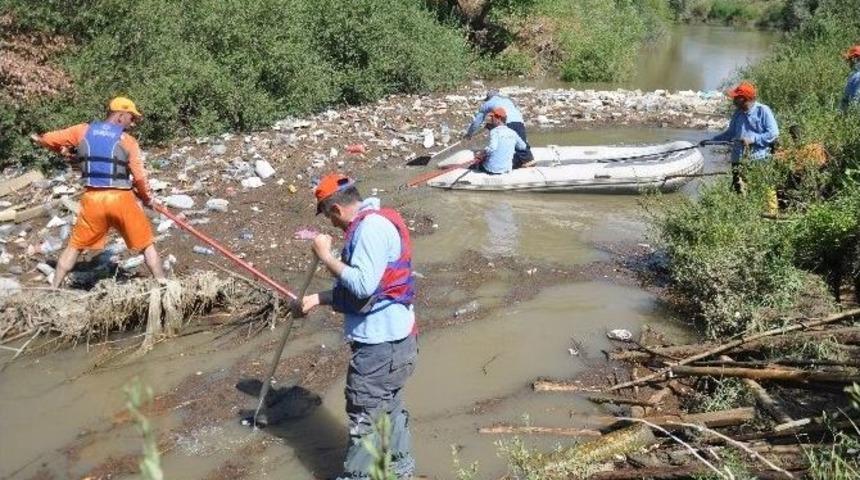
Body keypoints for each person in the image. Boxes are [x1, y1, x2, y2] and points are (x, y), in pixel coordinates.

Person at [301, 173, 418, 480]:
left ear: (336, 210)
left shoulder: (369, 230)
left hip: (381, 347)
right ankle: (399, 470)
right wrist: (318, 298)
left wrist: (326, 257)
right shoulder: (375, 222)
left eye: (328, 216)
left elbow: (363, 286)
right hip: (396, 342)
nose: (331, 224)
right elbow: (366, 292)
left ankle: (359, 477)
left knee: (364, 415)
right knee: (389, 408)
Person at [30, 97, 165, 287]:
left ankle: (55, 289)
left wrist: (61, 149)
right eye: (131, 118)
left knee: (74, 246)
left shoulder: (82, 131)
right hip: (121, 199)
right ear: (120, 116)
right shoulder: (128, 141)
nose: (133, 123)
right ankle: (164, 286)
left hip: (93, 199)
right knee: (147, 245)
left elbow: (46, 139)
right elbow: (140, 178)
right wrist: (147, 198)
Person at [702, 81, 779, 195]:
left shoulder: (763, 111)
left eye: (736, 97)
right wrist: (711, 141)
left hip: (759, 160)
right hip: (738, 161)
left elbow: (773, 133)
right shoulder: (738, 113)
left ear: (744, 99)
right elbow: (730, 134)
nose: (733, 100)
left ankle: (770, 212)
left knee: (762, 190)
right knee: (739, 191)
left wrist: (753, 139)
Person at [465, 90, 533, 168]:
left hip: (507, 123)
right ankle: (528, 159)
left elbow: (476, 122)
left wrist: (469, 134)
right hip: (520, 122)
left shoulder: (487, 104)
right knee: (522, 146)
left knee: (503, 141)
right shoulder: (507, 100)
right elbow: (515, 112)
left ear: (488, 98)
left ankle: (505, 161)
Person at [473, 107, 529, 175]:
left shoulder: (494, 132)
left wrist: (482, 153)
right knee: (516, 157)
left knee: (478, 164)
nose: (491, 119)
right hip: (506, 169)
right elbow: (523, 147)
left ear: (498, 119)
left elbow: (492, 148)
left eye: (492, 117)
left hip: (491, 170)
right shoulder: (512, 132)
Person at [841, 45, 860, 111]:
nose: (849, 63)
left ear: (855, 59)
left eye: (850, 60)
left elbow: (854, 99)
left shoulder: (857, 77)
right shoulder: (855, 75)